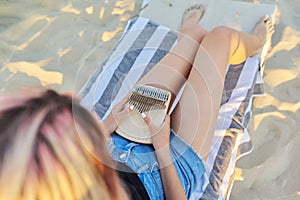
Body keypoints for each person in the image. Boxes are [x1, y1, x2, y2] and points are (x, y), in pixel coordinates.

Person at [0, 4, 274, 200]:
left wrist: (109, 124)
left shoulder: (38, 178)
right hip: (171, 167)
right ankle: (256, 42)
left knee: (193, 39)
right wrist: (163, 147)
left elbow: (79, 152)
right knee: (221, 37)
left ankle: (189, 31)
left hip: (119, 140)